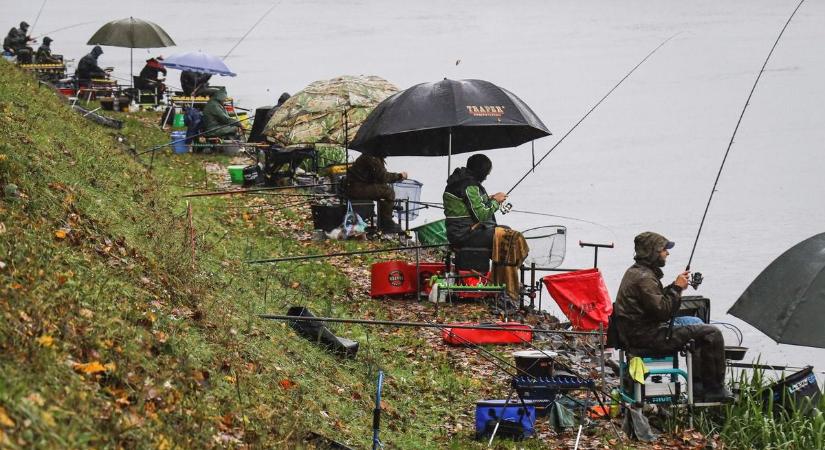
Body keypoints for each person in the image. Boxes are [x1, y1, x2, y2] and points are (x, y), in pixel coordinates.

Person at [612, 232, 733, 403]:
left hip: (642, 330)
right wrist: (676, 288)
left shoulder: (638, 272)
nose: (667, 253)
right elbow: (663, 312)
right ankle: (714, 389)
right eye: (663, 250)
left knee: (696, 323)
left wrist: (677, 286)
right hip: (648, 337)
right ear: (652, 252)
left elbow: (657, 302)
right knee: (712, 333)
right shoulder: (644, 278)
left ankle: (698, 387)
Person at [442, 154, 507, 249]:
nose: (485, 178)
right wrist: (496, 201)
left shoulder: (460, 181)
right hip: (464, 235)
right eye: (486, 174)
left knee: (504, 229)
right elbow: (480, 215)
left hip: (458, 232)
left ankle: (500, 263)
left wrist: (489, 199)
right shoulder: (469, 185)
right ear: (480, 172)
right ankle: (505, 264)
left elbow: (468, 203)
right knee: (507, 236)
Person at [346, 151, 407, 233]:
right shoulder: (372, 157)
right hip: (357, 188)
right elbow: (383, 176)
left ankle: (384, 221)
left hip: (356, 186)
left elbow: (378, 176)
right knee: (389, 192)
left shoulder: (372, 156)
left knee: (384, 189)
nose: (388, 153)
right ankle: (386, 223)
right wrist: (399, 176)